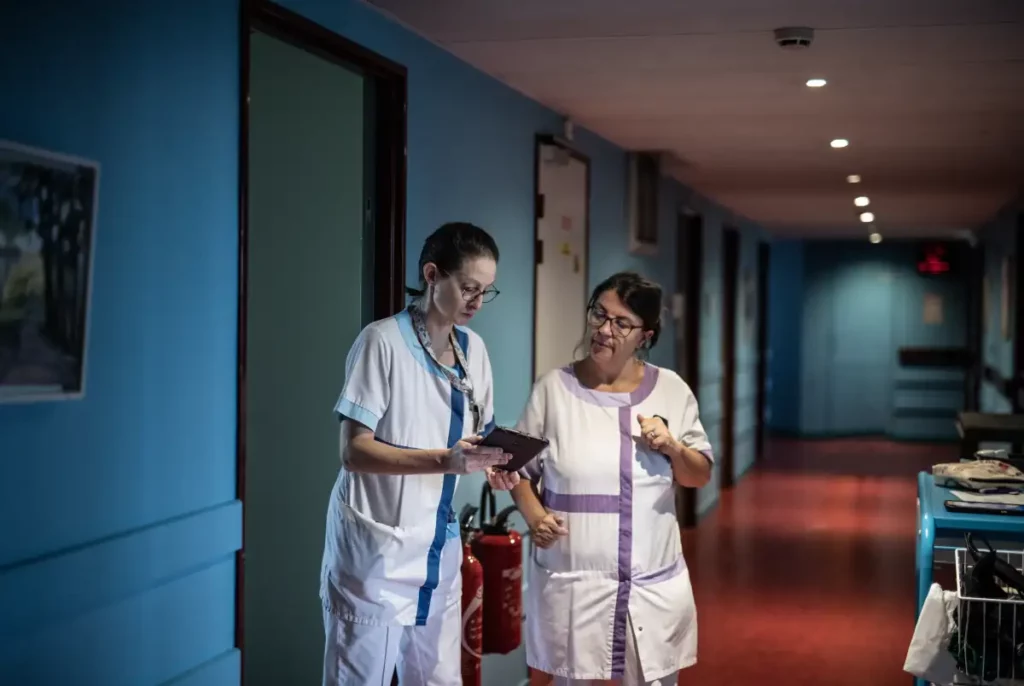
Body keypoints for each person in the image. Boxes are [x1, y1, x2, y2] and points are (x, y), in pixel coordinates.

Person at [320, 222, 521, 686]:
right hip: (377, 551)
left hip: (437, 549)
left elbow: (481, 432)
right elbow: (353, 451)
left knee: (437, 680)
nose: (477, 302)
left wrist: (495, 464)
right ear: (432, 275)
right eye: (468, 287)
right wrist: (445, 461)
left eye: (486, 291)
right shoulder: (381, 342)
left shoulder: (474, 350)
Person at [511, 271, 713, 686]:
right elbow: (518, 471)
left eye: (622, 323)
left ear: (645, 336)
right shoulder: (552, 390)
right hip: (574, 585)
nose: (604, 330)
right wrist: (535, 517)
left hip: (651, 588)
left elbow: (699, 475)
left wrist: (673, 448)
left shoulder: (672, 390)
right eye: (599, 315)